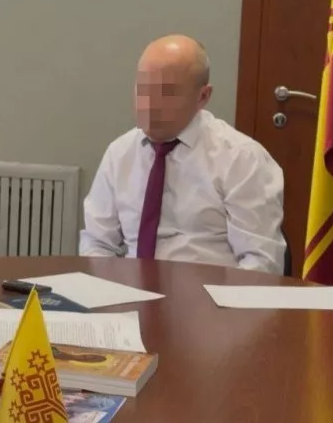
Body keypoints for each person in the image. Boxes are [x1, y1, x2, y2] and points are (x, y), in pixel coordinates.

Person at [79, 34, 286, 275]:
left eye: (166, 93)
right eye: (143, 88)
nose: (149, 104)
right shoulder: (120, 153)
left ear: (202, 97)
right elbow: (97, 243)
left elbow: (261, 263)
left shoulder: (242, 159)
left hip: (208, 295)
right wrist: (108, 289)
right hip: (130, 292)